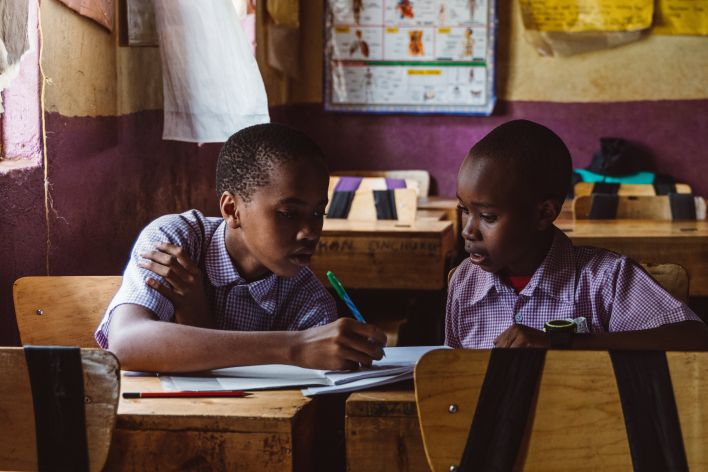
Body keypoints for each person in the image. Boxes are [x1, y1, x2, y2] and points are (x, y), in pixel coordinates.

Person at [96, 123, 386, 372]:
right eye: (288, 213)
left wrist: (196, 315)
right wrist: (294, 347)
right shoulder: (177, 242)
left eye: (318, 213)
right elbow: (127, 344)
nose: (309, 232)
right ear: (232, 209)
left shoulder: (308, 299)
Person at [446, 119, 708, 350]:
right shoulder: (464, 282)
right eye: (464, 210)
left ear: (544, 214)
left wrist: (565, 343)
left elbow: (694, 338)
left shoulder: (604, 279)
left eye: (488, 217)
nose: (468, 230)